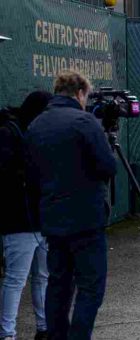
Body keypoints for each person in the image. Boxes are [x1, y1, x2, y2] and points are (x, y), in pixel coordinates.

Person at [25, 71, 117, 340]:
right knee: (90, 287)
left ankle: (56, 336)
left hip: (53, 220)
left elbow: (31, 177)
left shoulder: (36, 125)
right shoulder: (84, 121)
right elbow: (108, 167)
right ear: (79, 93)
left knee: (58, 284)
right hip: (86, 220)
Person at [0, 91, 53, 340]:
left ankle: (43, 328)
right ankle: (7, 334)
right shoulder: (9, 133)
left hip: (40, 218)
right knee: (16, 280)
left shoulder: (32, 133)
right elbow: (8, 174)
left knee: (41, 276)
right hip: (19, 220)